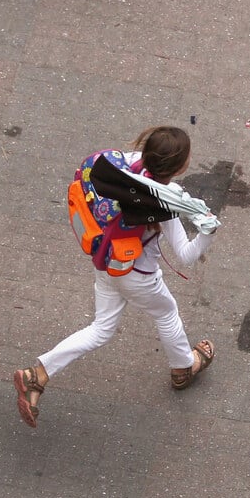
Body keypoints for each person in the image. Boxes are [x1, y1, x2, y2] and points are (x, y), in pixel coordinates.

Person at [13, 126, 217, 428]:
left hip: (107, 262)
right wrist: (208, 231)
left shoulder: (123, 167)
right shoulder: (163, 205)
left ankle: (37, 375)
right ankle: (183, 369)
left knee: (102, 328)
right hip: (138, 276)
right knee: (167, 312)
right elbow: (186, 255)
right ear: (180, 166)